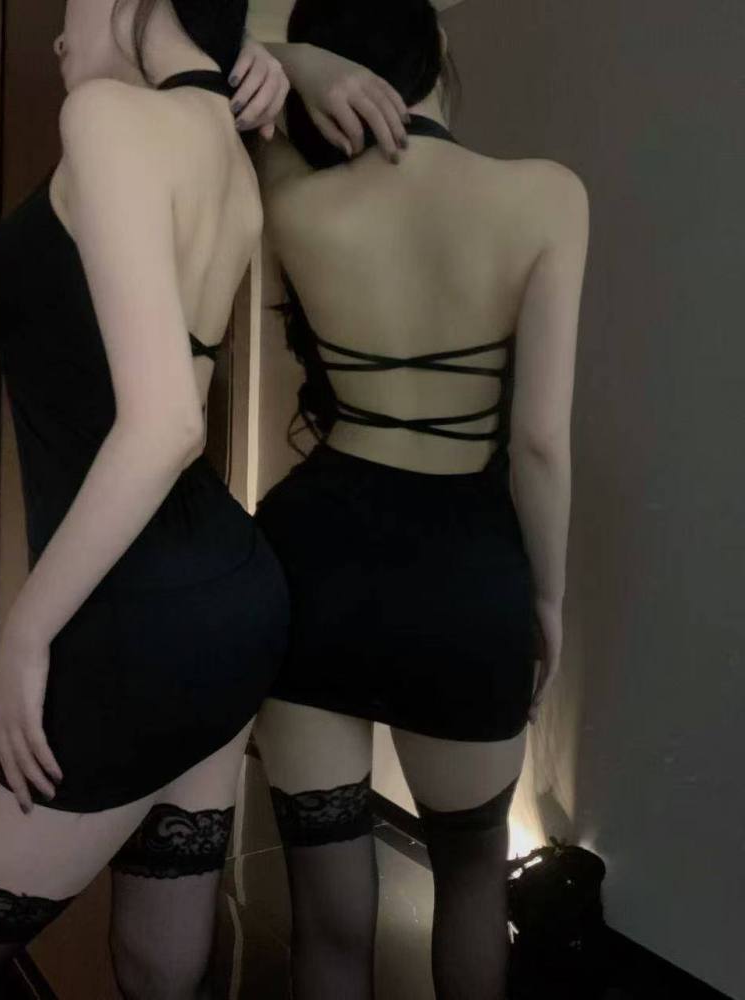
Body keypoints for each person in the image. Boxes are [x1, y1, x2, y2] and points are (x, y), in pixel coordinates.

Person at [0, 2, 292, 997]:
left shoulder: (105, 120)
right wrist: (261, 55)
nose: (61, 38)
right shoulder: (227, 151)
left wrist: (26, 634)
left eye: (77, 8)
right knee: (159, 961)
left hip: (131, 615)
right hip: (234, 595)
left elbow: (166, 424)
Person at [247, 2, 590, 998]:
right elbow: (538, 442)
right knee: (472, 876)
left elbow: (205, 71)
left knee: (326, 924)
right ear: (439, 49)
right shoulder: (545, 195)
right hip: (464, 572)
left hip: (314, 563)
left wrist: (291, 59)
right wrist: (546, 600)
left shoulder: (291, 189)